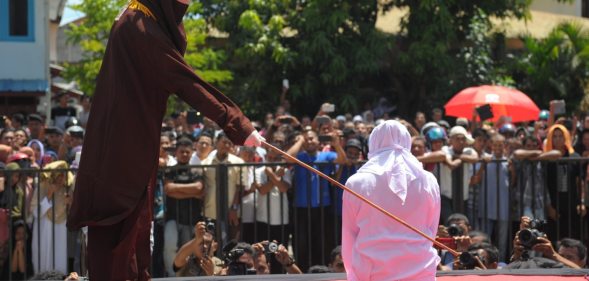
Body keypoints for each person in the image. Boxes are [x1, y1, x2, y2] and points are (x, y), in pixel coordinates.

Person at [66, 1, 263, 280]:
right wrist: (238, 124)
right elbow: (183, 79)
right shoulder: (139, 25)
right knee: (117, 235)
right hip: (122, 151)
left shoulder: (137, 16)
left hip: (129, 145)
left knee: (135, 229)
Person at [342, 120, 440, 280]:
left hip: (372, 273)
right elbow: (431, 229)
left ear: (374, 142)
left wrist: (352, 276)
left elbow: (349, 235)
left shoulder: (356, 182)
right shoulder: (428, 180)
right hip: (420, 271)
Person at [31, 160, 74, 274]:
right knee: (44, 256)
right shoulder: (42, 187)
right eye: (58, 175)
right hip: (44, 227)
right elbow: (35, 212)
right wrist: (49, 195)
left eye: (63, 175)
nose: (61, 179)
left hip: (60, 228)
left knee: (59, 256)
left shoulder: (66, 190)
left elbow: (70, 214)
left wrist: (69, 203)